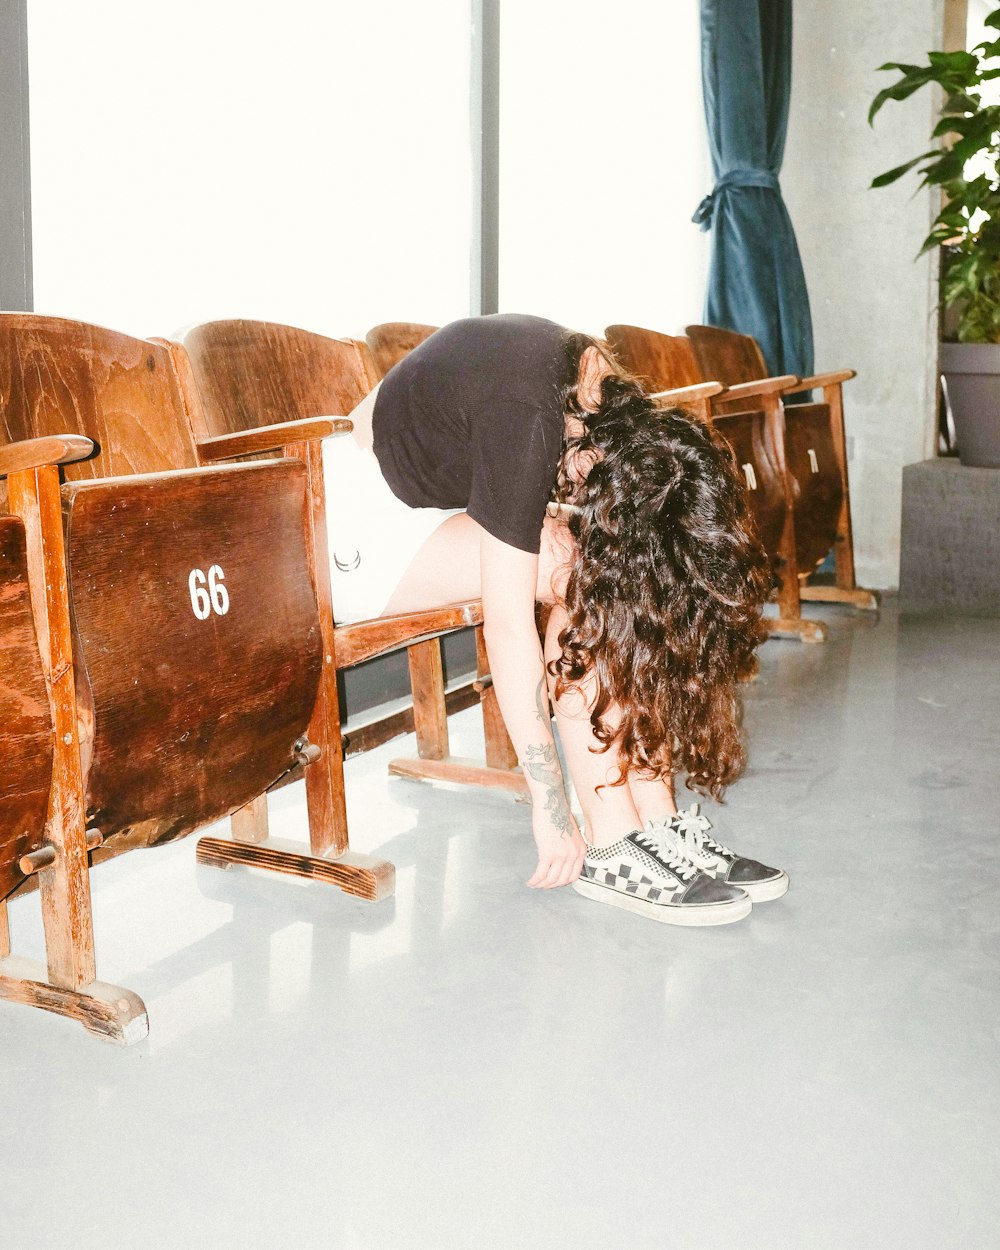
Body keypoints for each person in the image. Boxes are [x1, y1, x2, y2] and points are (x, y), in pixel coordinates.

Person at [323, 313, 786, 926]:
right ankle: (611, 839)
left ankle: (660, 823)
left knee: (607, 573)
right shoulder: (531, 417)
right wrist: (549, 805)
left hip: (416, 506)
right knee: (582, 573)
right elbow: (507, 624)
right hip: (344, 530)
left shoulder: (596, 393)